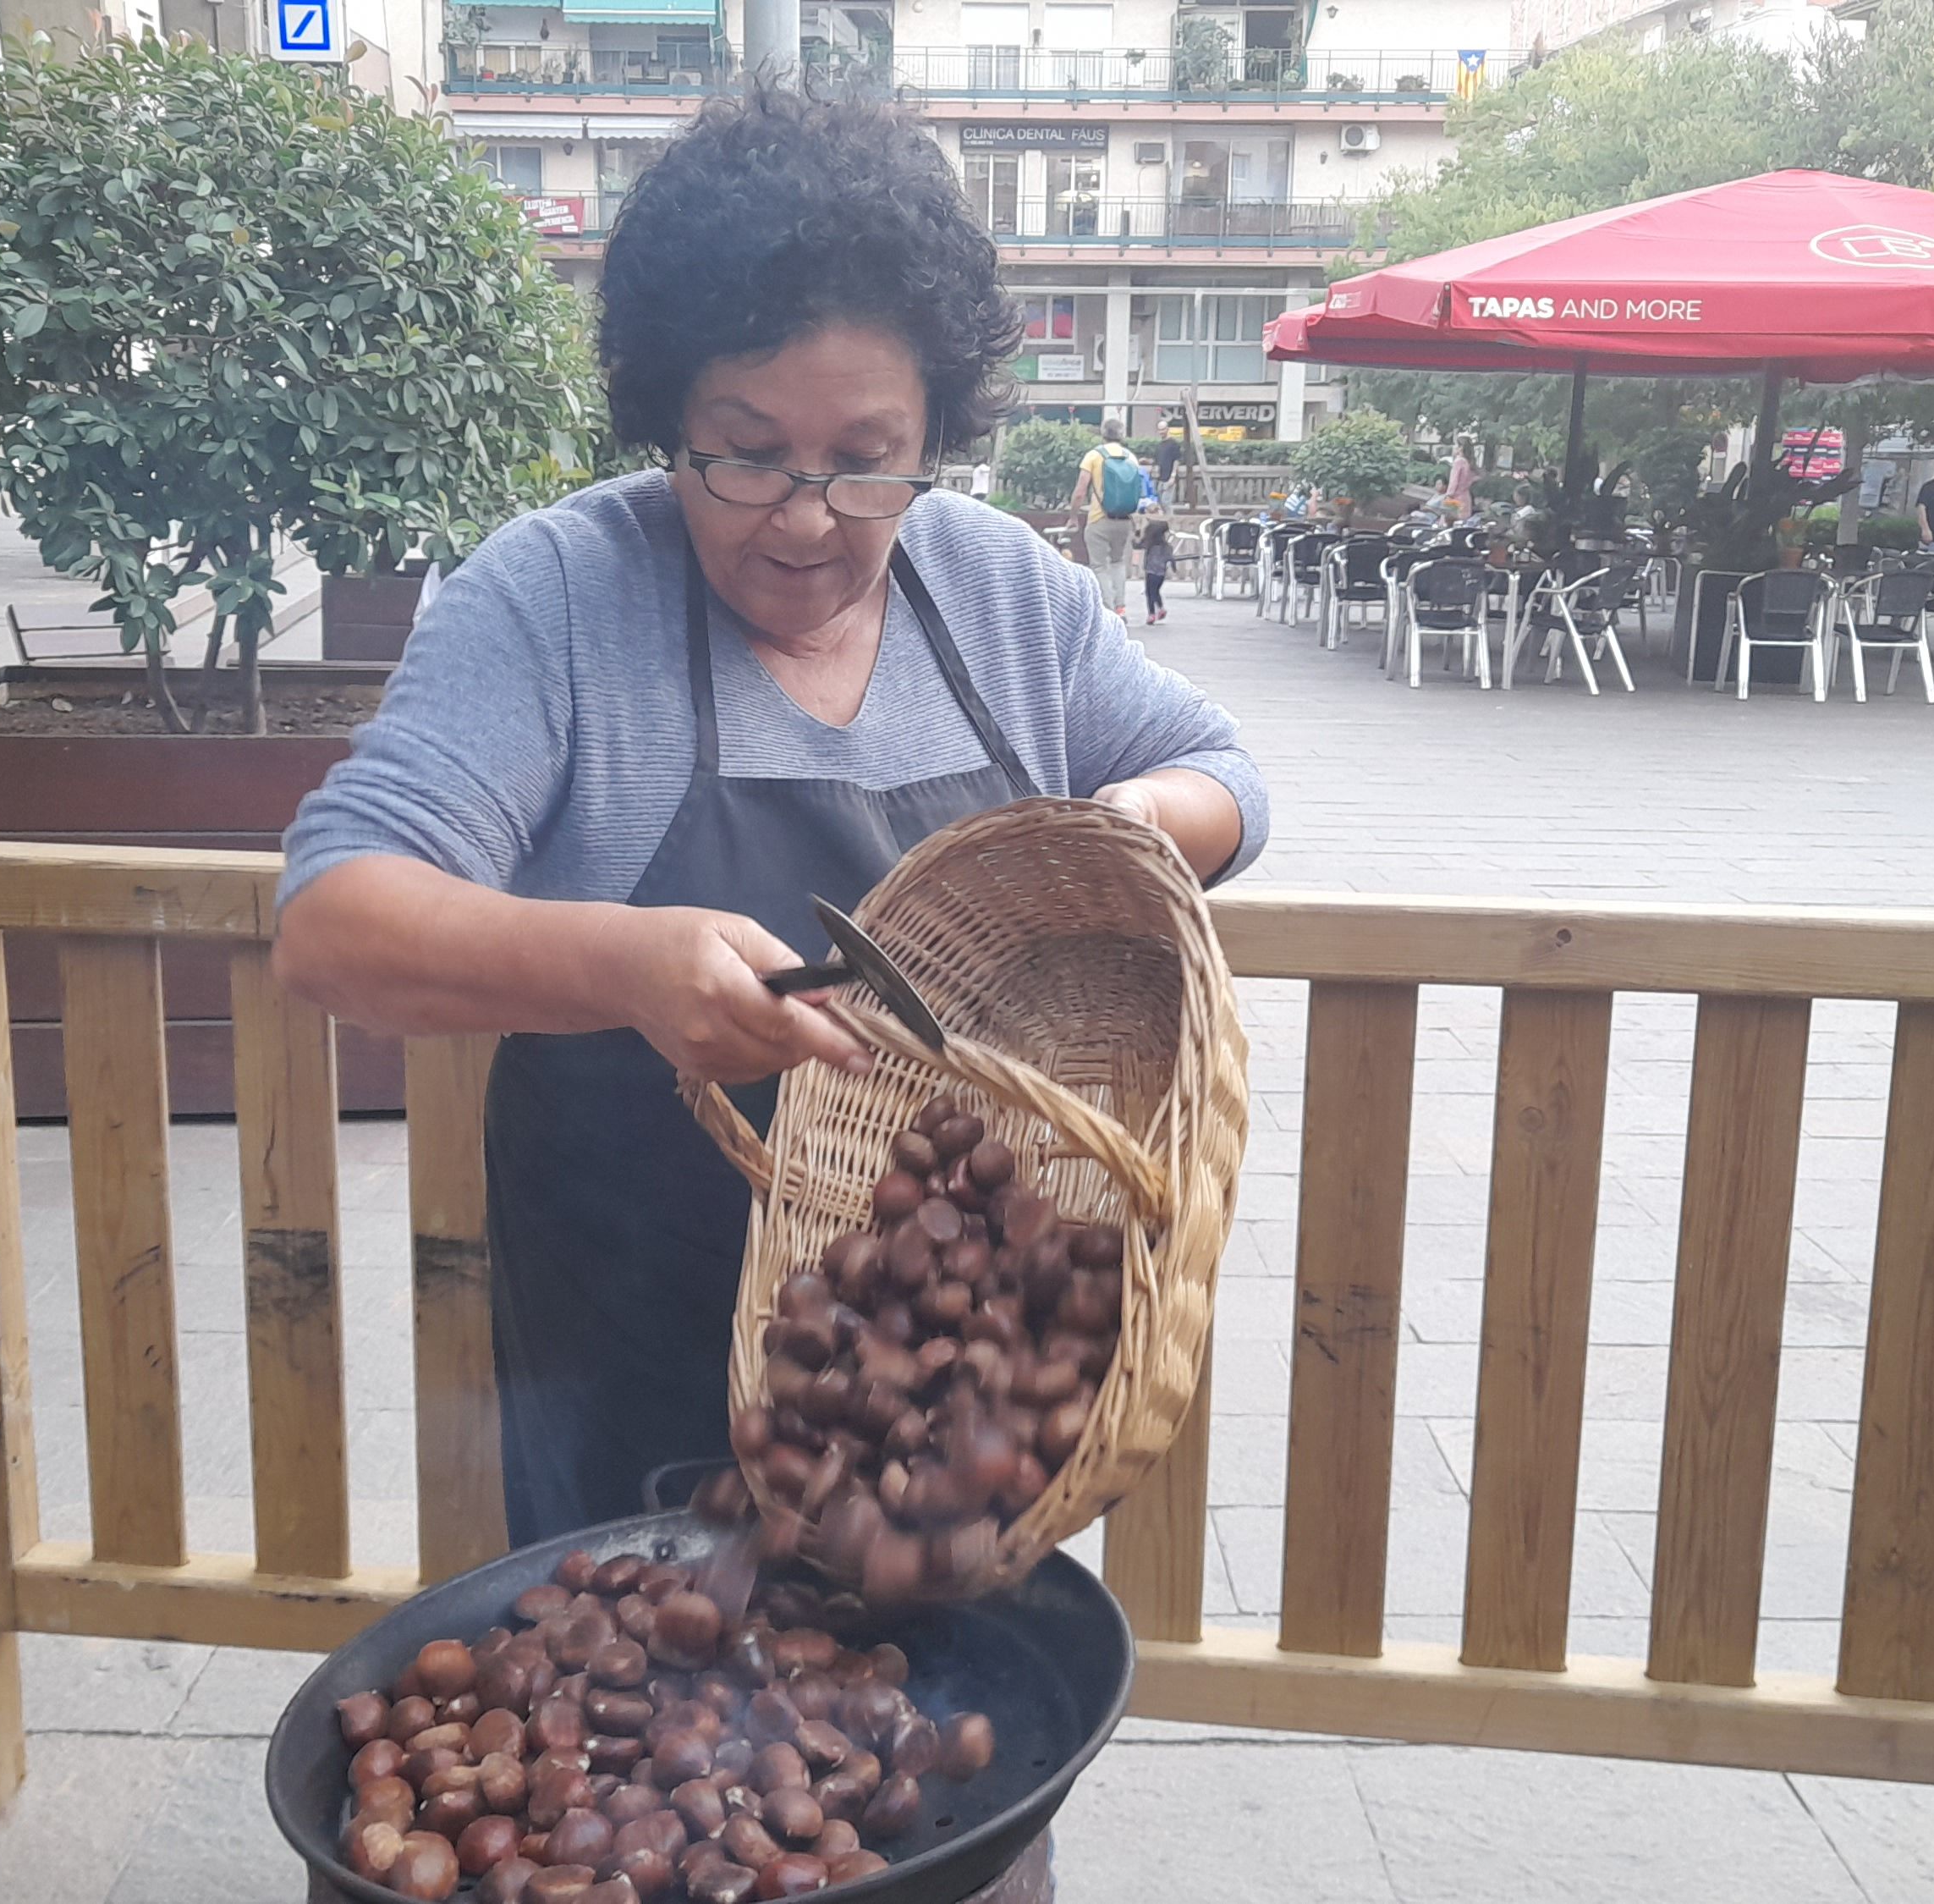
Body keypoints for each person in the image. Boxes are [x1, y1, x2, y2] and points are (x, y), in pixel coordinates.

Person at [267, 85, 1266, 1550]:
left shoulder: (999, 589)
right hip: (628, 1387)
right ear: (667, 413)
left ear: (939, 425)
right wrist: (622, 969)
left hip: (956, 1393)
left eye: (867, 458)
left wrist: (1115, 832)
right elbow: (331, 921)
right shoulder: (555, 596)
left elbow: (1224, 777)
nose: (807, 516)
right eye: (744, 452)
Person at [1071, 423, 1150, 618]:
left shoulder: (1094, 456)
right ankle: (1121, 607)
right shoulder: (1130, 457)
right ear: (1121, 435)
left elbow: (1081, 491)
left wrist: (1073, 516)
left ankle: (1109, 611)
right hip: (1124, 520)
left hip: (1099, 519)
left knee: (1099, 566)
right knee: (1117, 563)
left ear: (1103, 435)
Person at [1140, 514, 1173, 625]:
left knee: (1149, 593)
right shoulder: (1167, 546)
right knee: (1156, 591)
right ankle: (1161, 608)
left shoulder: (1150, 545)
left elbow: (1137, 545)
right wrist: (1173, 567)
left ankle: (1151, 614)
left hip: (1150, 572)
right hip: (1161, 574)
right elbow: (1170, 558)